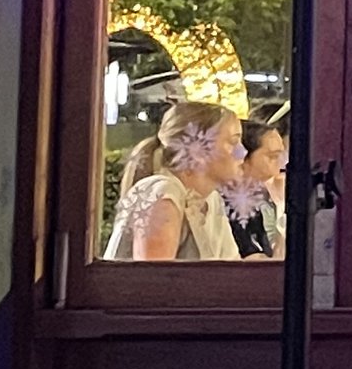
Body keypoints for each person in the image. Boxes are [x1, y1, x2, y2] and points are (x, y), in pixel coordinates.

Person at [103, 97, 247, 262]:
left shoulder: (212, 200)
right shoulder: (162, 194)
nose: (242, 152)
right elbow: (152, 281)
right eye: (233, 142)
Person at [228, 113, 289, 258]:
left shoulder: (255, 200)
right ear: (243, 158)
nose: (281, 164)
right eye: (272, 157)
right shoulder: (226, 204)